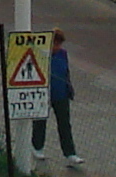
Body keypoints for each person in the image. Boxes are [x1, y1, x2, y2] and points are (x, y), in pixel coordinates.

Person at [27, 30, 82, 169]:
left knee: (64, 124)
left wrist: (69, 88)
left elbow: (65, 72)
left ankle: (70, 153)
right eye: (55, 44)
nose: (57, 47)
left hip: (61, 94)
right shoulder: (41, 55)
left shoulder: (63, 54)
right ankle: (37, 146)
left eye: (59, 44)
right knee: (40, 121)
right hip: (44, 94)